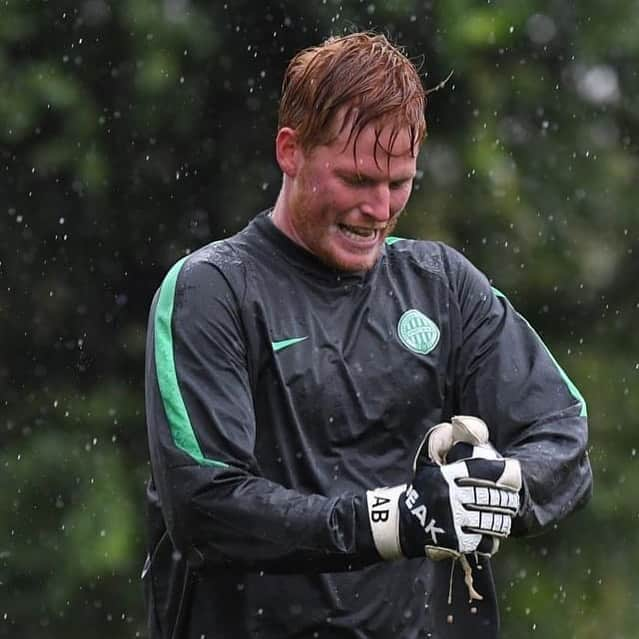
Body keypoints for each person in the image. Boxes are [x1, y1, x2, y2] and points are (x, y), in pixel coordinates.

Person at [142, 32, 592, 639]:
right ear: (290, 151)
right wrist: (393, 522)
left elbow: (562, 436)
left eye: (399, 182)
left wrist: (496, 486)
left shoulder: (444, 286)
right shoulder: (211, 290)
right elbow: (206, 507)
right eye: (357, 179)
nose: (380, 208)